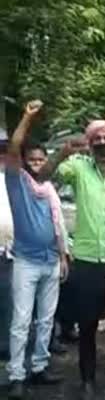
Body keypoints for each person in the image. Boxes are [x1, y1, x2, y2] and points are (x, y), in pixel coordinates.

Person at [49, 114, 105, 400]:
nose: (103, 143)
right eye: (97, 139)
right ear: (90, 144)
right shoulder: (78, 168)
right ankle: (87, 381)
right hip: (87, 260)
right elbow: (49, 176)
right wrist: (62, 152)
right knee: (88, 326)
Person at [5, 100, 69, 400]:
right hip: (26, 262)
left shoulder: (49, 190)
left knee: (46, 318)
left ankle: (40, 366)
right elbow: (15, 145)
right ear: (24, 161)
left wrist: (63, 255)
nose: (37, 162)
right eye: (32, 158)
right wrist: (27, 117)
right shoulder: (17, 183)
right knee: (21, 319)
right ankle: (16, 374)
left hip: (50, 259)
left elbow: (59, 228)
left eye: (42, 159)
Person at [0, 129, 13, 361]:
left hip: (11, 251)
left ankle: (6, 347)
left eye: (4, 148)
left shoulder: (15, 176)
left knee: (8, 302)